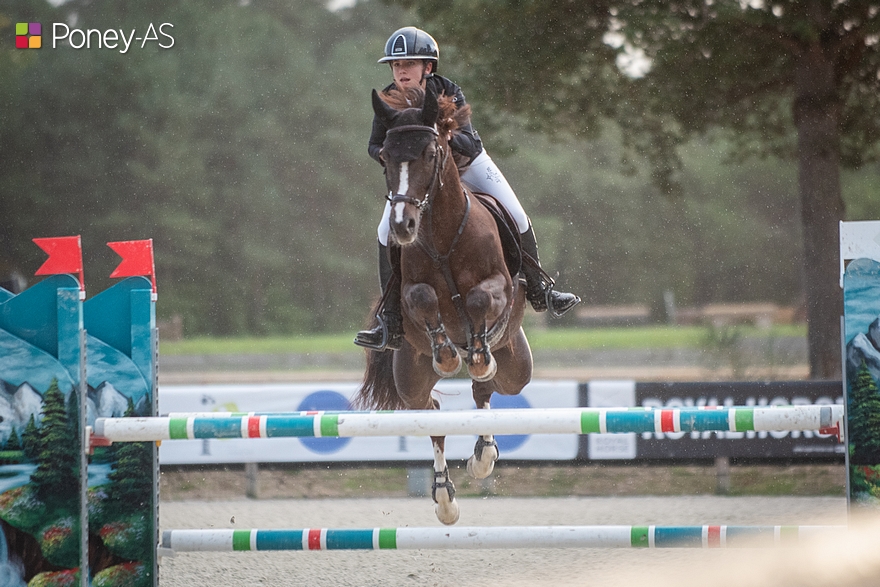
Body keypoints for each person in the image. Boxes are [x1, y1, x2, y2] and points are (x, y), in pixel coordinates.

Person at [355, 26, 580, 351]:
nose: (401, 71)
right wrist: (391, 156)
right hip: (419, 175)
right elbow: (374, 144)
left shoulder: (447, 91)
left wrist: (438, 134)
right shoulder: (389, 99)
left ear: (427, 67)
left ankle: (539, 288)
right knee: (383, 231)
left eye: (408, 64)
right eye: (396, 65)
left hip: (467, 163)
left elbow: (468, 139)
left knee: (516, 214)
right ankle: (389, 319)